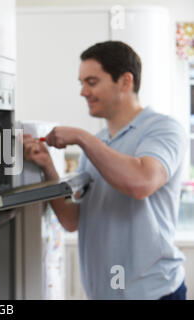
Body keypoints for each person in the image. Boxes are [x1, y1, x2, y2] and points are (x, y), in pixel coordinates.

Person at [23, 41, 188, 300]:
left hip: (152, 294)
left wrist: (81, 137)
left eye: (91, 82)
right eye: (81, 83)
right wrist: (47, 166)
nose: (83, 92)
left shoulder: (163, 129)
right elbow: (71, 220)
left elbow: (141, 183)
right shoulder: (99, 143)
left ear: (124, 82)